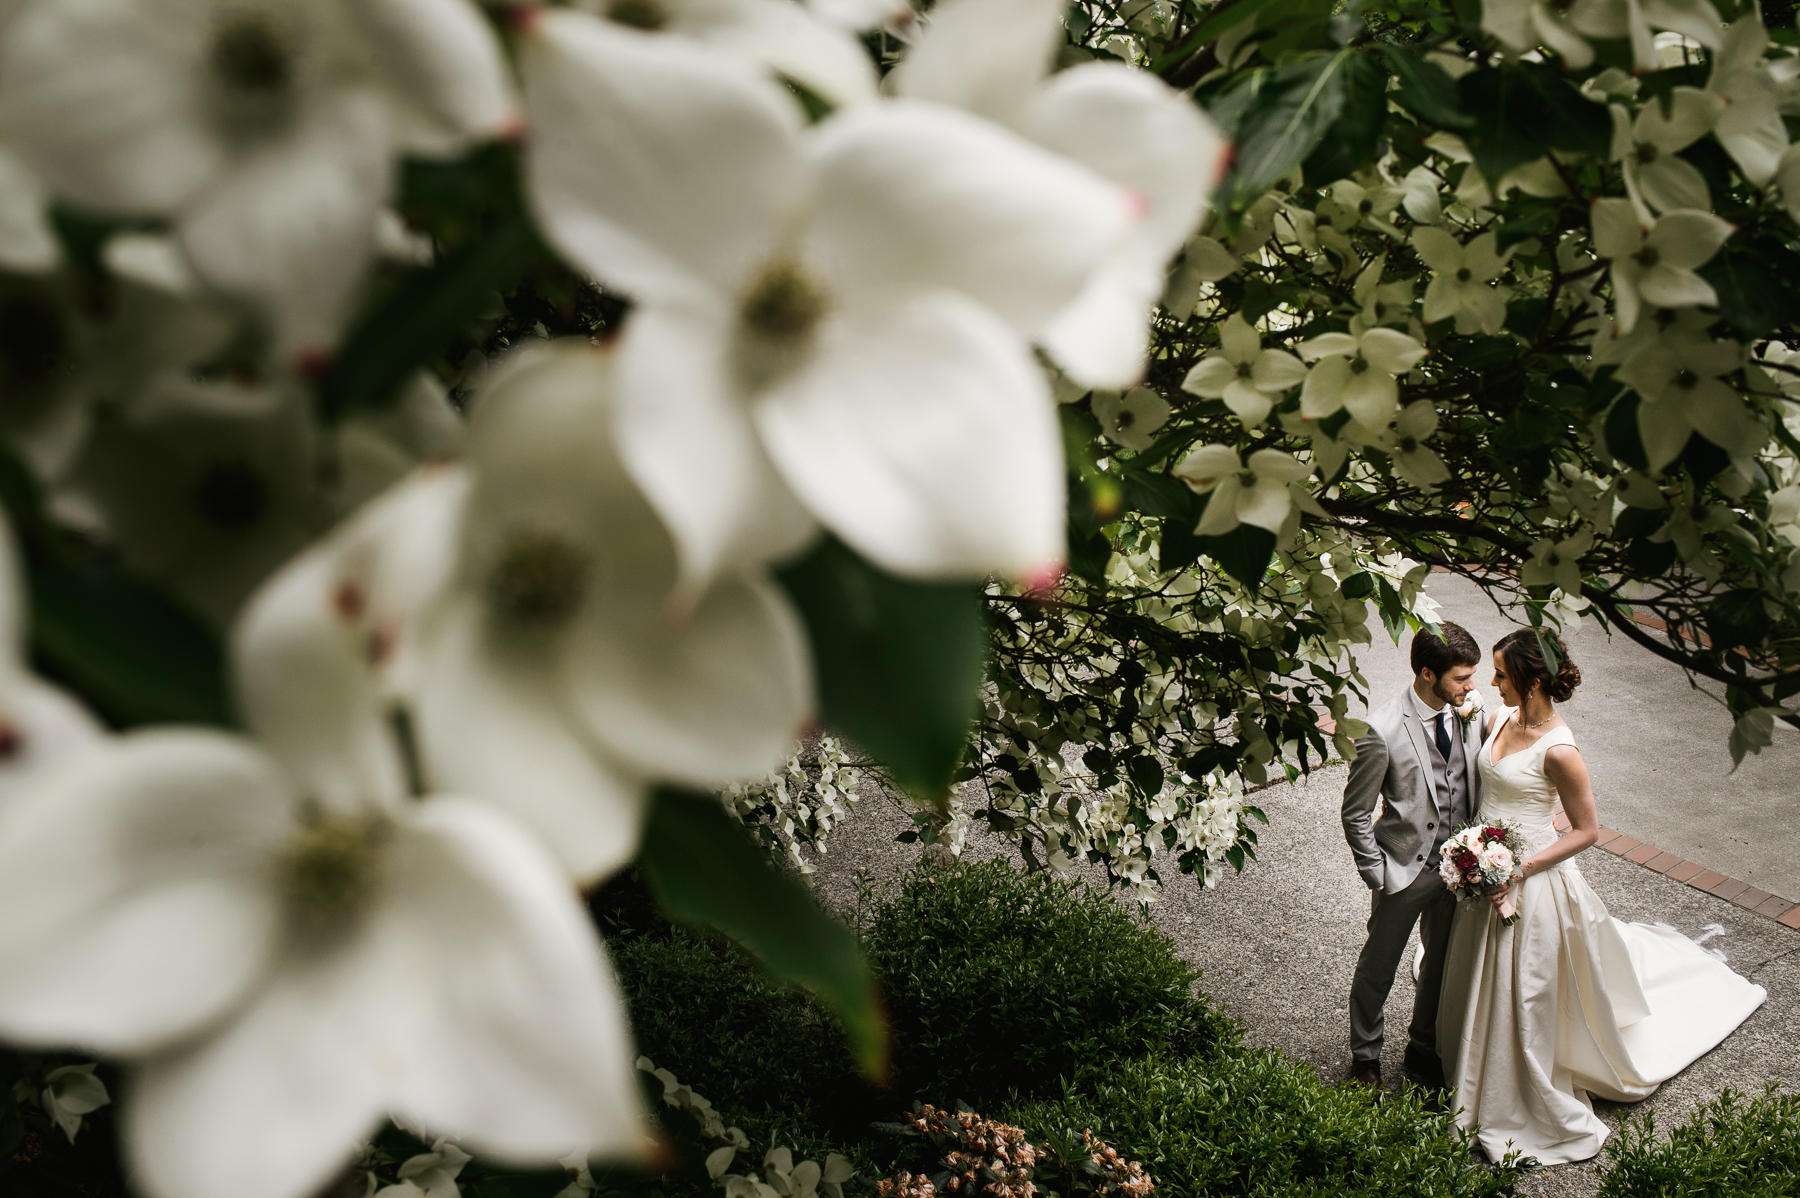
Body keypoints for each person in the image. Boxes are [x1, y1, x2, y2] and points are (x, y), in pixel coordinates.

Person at [1436, 629, 1767, 1165]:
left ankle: (1520, 1080)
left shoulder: (1560, 750)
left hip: (1530, 877)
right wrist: (1478, 856)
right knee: (1480, 971)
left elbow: (1587, 831)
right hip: (1484, 869)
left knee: (1528, 986)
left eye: (1500, 673)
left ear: (1532, 679)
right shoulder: (1497, 717)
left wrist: (1518, 868)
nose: (1492, 682)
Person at [1341, 621, 1485, 1090]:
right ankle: (1365, 1055)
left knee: (1441, 965)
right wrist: (1376, 873)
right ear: (1427, 673)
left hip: (1460, 871)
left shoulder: (1468, 713)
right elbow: (1355, 812)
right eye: (1462, 678)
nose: (1472, 686)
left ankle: (1422, 1050)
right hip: (1404, 871)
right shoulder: (1381, 730)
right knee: (1377, 968)